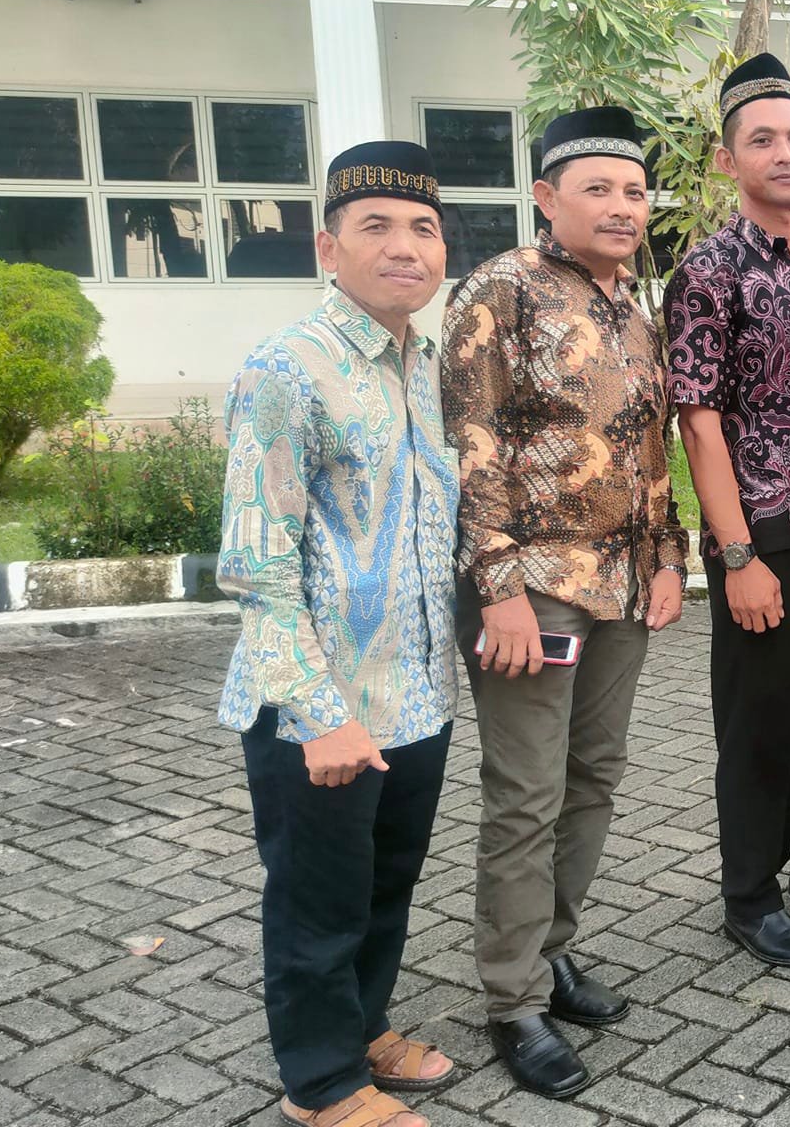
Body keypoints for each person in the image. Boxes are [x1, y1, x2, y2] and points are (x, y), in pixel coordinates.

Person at [440, 105, 688, 1100]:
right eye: (599, 189)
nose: (622, 207)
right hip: (534, 590)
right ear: (547, 197)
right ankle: (511, 1000)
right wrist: (496, 587)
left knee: (593, 779)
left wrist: (669, 557)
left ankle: (550, 952)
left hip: (622, 587)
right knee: (527, 793)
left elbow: (652, 449)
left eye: (634, 191)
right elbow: (471, 443)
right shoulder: (501, 289)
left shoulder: (634, 307)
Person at [217, 140, 458, 1127]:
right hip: (318, 706)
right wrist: (319, 714)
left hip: (415, 694)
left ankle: (362, 1029)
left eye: (424, 228)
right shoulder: (287, 368)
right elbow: (256, 563)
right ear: (328, 247)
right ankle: (318, 1084)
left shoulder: (426, 365)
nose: (405, 247)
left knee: (385, 886)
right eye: (376, 227)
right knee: (316, 900)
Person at [666, 53, 790, 969]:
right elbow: (697, 422)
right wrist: (736, 556)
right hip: (761, 529)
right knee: (759, 721)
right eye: (763, 140)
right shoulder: (708, 271)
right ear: (727, 159)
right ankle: (749, 893)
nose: (785, 154)